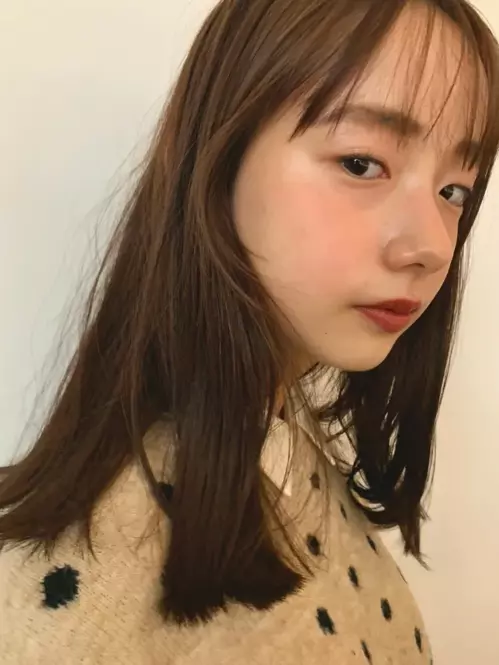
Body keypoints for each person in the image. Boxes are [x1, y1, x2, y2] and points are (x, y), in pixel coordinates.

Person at [1, 0, 498, 662]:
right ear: (220, 160)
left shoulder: (282, 449)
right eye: (361, 163)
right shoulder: (70, 614)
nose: (433, 245)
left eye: (454, 191)